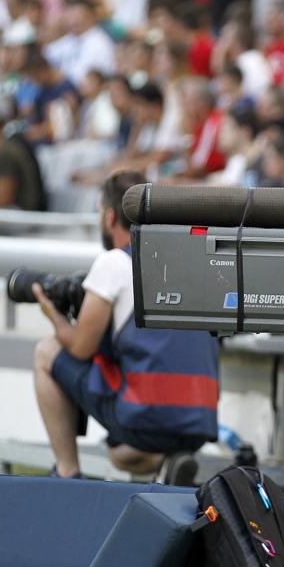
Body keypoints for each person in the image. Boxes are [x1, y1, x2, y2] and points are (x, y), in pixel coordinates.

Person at [32, 171, 220, 480]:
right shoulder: (190, 262)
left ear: (109, 217)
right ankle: (167, 464)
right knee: (120, 454)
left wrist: (52, 312)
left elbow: (80, 348)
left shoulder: (114, 262)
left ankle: (66, 472)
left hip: (145, 419)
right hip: (200, 422)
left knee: (46, 352)